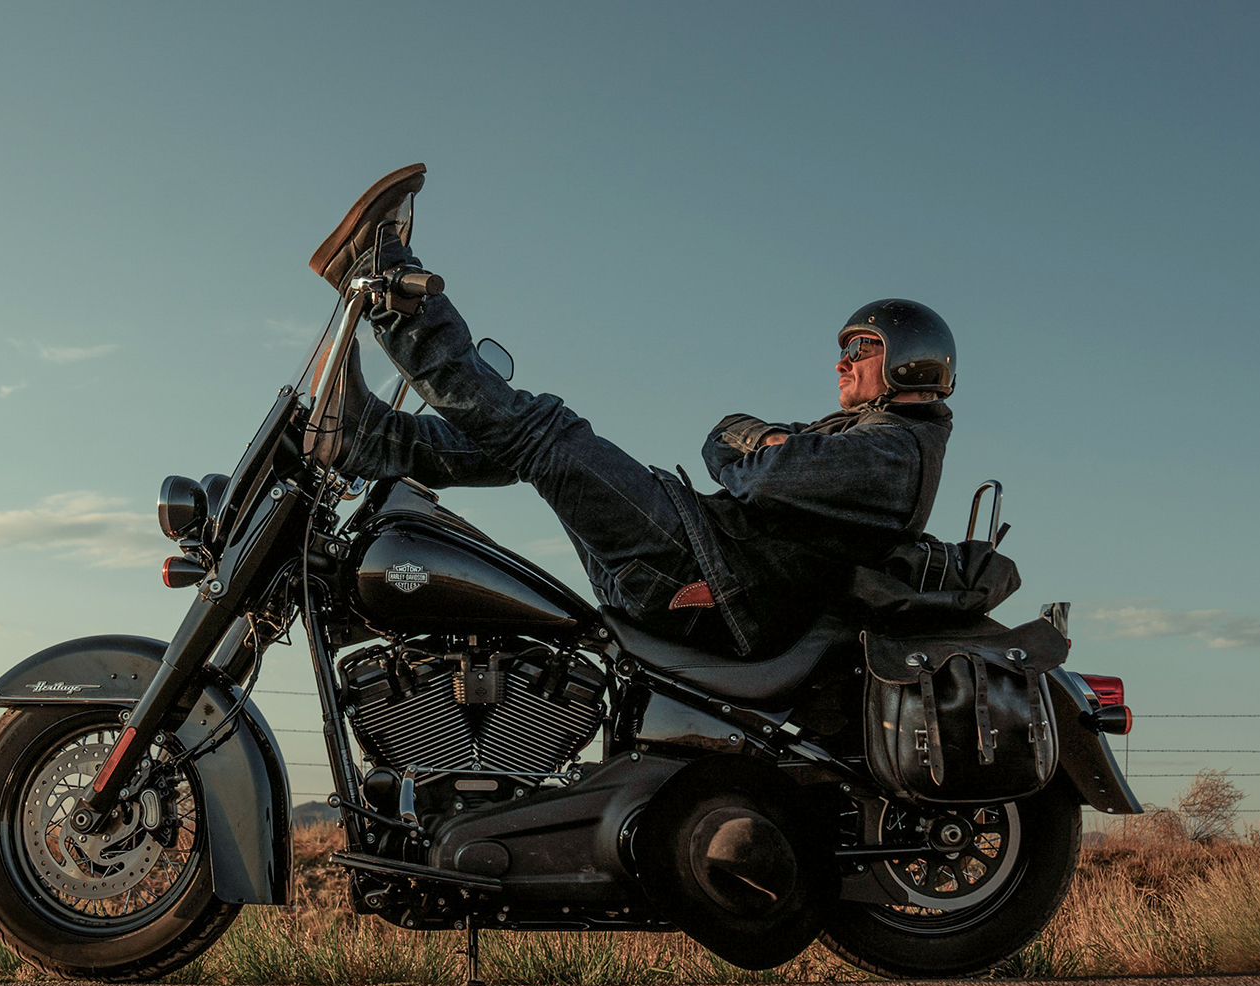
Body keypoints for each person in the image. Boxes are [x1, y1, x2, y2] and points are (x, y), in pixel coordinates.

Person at [304, 165, 956, 658]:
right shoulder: (872, 442)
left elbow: (761, 475)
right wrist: (764, 443)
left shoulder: (892, 454)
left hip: (701, 571)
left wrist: (764, 451)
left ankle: (384, 280)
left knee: (545, 434)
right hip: (701, 557)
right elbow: (721, 439)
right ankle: (369, 437)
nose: (842, 363)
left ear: (911, 362)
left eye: (860, 349)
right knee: (534, 449)